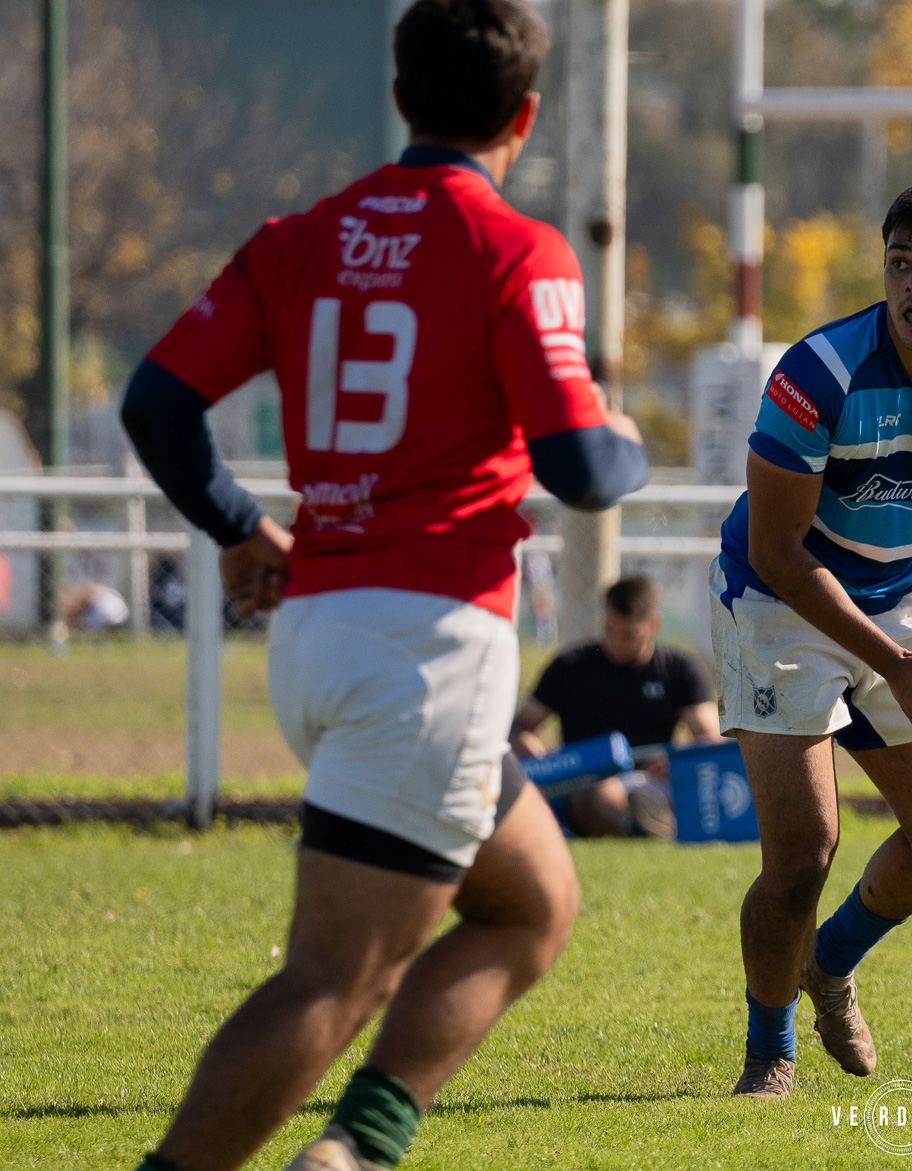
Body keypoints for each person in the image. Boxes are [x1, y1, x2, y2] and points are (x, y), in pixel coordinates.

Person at [117, 3, 648, 1168]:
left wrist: (240, 525)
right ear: (527, 115)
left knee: (532, 903)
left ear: (401, 97)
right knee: (338, 979)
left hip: (320, 633)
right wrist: (626, 433)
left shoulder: (298, 236)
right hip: (427, 651)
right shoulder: (517, 248)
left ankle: (353, 1148)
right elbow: (580, 467)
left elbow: (156, 405)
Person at [710, 176, 912, 1098]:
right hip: (776, 602)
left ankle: (830, 963)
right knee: (804, 850)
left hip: (897, 598)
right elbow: (777, 550)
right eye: (902, 263)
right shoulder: (817, 375)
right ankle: (769, 1048)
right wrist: (900, 666)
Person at [511, 574, 720, 838]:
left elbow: (709, 740)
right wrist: (529, 745)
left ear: (654, 624)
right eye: (610, 630)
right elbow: (519, 727)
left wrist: (674, 761)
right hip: (587, 778)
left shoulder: (679, 669)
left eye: (629, 635)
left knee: (696, 785)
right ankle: (650, 829)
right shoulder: (571, 666)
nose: (616, 642)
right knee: (599, 795)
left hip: (652, 780)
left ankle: (649, 824)